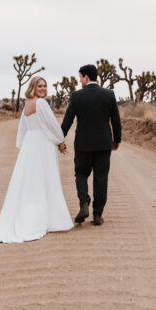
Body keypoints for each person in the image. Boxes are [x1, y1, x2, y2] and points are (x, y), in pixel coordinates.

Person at [0, 77, 74, 248]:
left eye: (45, 85)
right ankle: (47, 219)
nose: (43, 88)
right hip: (42, 144)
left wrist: (28, 145)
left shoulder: (27, 104)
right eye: (39, 86)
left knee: (31, 181)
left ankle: (34, 215)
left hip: (30, 145)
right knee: (46, 178)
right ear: (33, 87)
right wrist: (60, 141)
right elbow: (52, 125)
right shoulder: (41, 103)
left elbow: (23, 130)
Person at [60, 64, 121, 226]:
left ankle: (84, 203)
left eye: (80, 77)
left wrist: (60, 138)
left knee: (80, 173)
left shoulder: (77, 96)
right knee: (101, 178)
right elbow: (115, 120)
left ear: (86, 77)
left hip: (83, 144)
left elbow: (68, 120)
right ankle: (98, 215)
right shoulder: (109, 95)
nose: (80, 80)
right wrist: (117, 140)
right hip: (103, 144)